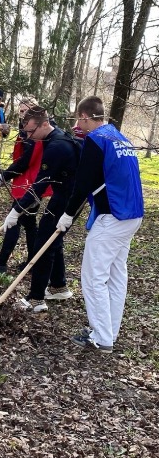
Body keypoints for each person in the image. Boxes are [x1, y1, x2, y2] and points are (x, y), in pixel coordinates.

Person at [57, 96, 144, 352]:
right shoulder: (118, 137)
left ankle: (102, 337)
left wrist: (68, 214)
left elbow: (83, 182)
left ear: (85, 116)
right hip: (132, 215)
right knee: (117, 275)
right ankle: (110, 331)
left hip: (114, 215)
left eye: (77, 119)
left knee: (94, 277)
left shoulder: (96, 140)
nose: (77, 124)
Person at [2, 104, 80, 313]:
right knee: (53, 241)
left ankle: (36, 299)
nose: (27, 136)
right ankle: (58, 286)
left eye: (31, 131)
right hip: (65, 195)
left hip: (67, 199)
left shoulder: (57, 146)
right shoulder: (51, 138)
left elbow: (39, 184)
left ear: (45, 124)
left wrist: (17, 210)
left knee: (43, 243)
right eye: (25, 130)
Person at [0, 97, 46, 275]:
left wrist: (5, 175)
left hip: (32, 182)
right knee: (28, 221)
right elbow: (21, 158)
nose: (22, 115)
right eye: (20, 111)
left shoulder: (37, 132)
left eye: (25, 111)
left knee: (15, 220)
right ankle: (32, 261)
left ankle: (1, 263)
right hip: (24, 180)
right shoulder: (25, 129)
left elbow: (26, 161)